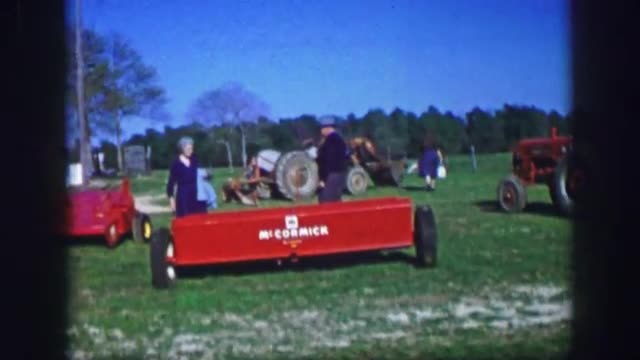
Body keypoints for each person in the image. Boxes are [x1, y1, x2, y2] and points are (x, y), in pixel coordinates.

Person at [166, 137, 208, 217]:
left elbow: (203, 175)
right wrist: (172, 203)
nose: (191, 151)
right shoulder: (176, 164)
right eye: (188, 149)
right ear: (182, 149)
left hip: (198, 196)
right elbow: (170, 185)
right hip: (184, 197)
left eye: (192, 149)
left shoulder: (195, 160)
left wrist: (206, 175)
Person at [315, 115, 349, 203]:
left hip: (331, 177)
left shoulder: (330, 141)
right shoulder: (340, 140)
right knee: (336, 202)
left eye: (322, 128)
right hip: (340, 175)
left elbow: (328, 161)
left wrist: (323, 179)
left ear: (328, 127)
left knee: (326, 202)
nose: (320, 130)